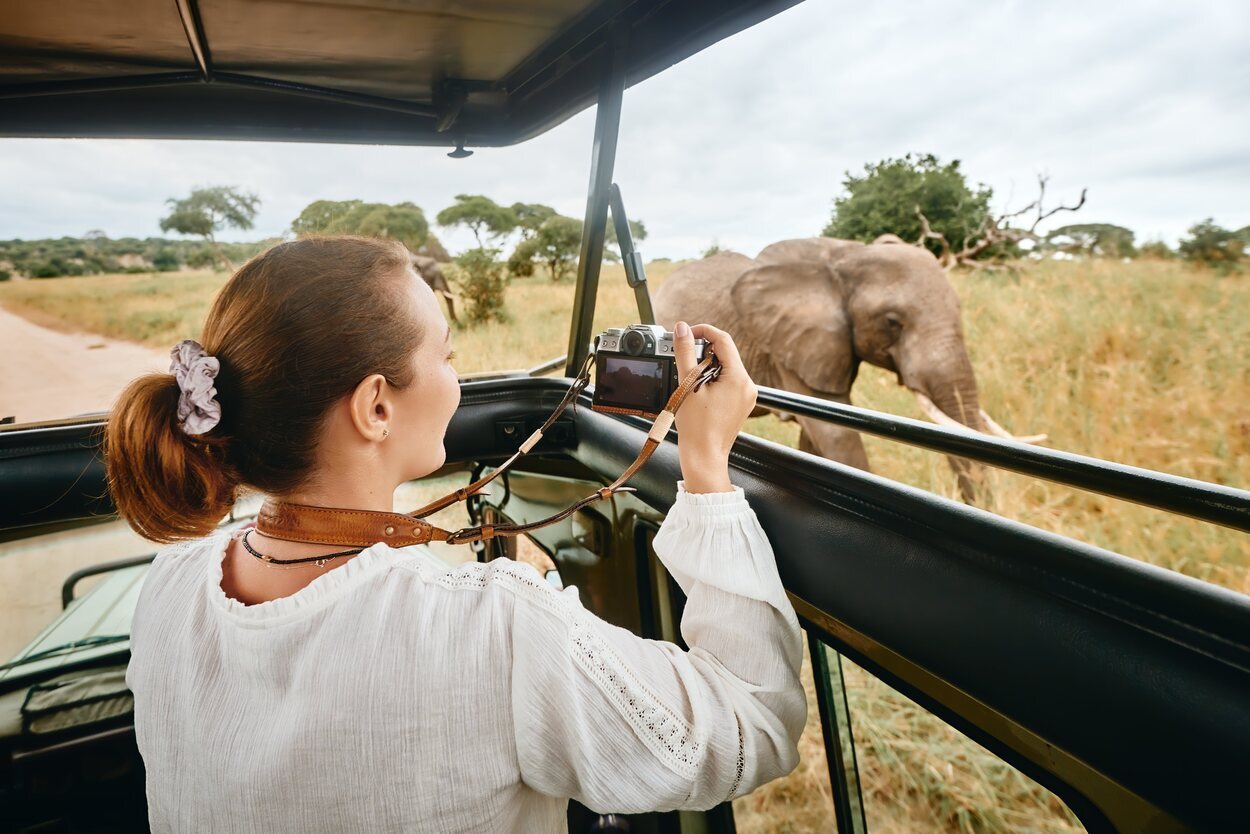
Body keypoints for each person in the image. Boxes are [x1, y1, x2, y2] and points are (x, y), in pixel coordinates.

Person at [105, 236, 806, 833]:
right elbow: (752, 725)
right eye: (445, 355)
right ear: (376, 406)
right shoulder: (491, 627)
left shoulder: (169, 586)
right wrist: (708, 466)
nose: (457, 379)